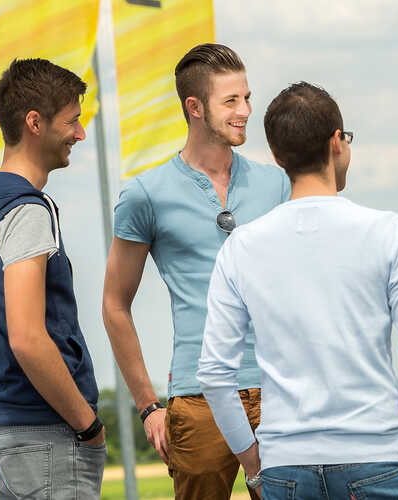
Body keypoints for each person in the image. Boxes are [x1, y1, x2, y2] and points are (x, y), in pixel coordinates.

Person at [197, 81, 398, 500]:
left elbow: (213, 374)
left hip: (285, 467)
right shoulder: (390, 233)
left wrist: (256, 465)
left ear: (277, 157)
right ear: (337, 143)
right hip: (376, 456)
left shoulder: (241, 246)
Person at [102, 43, 290, 499]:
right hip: (197, 394)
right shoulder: (146, 194)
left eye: (247, 97)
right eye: (231, 101)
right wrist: (148, 406)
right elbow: (114, 304)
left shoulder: (276, 182)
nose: (246, 110)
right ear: (195, 108)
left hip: (279, 391)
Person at [0, 58, 105, 499]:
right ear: (34, 123)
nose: (80, 133)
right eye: (72, 121)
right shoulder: (26, 208)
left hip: (13, 429)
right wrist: (88, 425)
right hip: (47, 434)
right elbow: (26, 336)